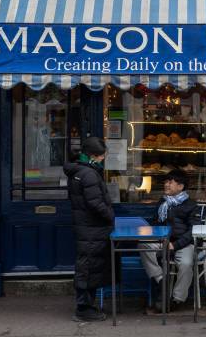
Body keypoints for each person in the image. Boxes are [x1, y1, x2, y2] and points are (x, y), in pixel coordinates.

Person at [64, 137, 114, 322]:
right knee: (89, 267)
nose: (103, 159)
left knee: (87, 265)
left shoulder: (78, 171)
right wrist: (110, 214)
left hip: (86, 227)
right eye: (101, 156)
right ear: (93, 156)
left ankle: (87, 305)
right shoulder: (89, 174)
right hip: (92, 228)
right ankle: (84, 308)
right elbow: (95, 203)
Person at [140, 169, 199, 311]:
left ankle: (177, 299)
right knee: (143, 244)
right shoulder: (162, 203)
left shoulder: (191, 205)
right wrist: (157, 238)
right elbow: (155, 224)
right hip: (162, 241)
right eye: (165, 181)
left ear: (181, 186)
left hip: (182, 243)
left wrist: (176, 244)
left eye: (170, 182)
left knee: (186, 264)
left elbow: (194, 230)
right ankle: (161, 279)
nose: (166, 184)